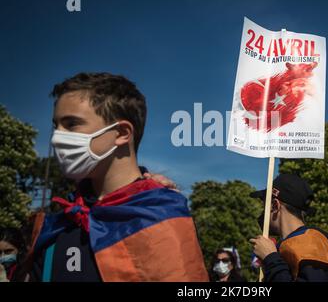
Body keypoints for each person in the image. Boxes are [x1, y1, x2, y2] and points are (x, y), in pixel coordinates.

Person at [27, 72, 208, 282]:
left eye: (71, 124)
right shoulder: (59, 222)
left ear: (122, 133)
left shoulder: (162, 217)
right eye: (55, 126)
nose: (56, 138)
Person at [249, 173, 328, 282]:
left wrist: (271, 258)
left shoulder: (312, 244)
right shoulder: (288, 245)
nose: (262, 213)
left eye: (264, 206)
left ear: (275, 205)